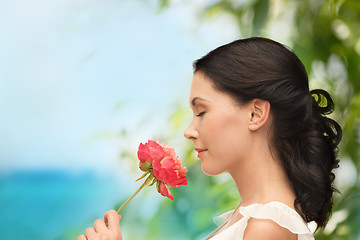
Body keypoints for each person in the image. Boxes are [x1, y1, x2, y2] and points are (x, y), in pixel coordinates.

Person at [77, 37, 342, 240]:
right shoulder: (252, 218)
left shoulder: (268, 226)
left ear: (255, 113)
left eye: (202, 111)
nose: (189, 131)